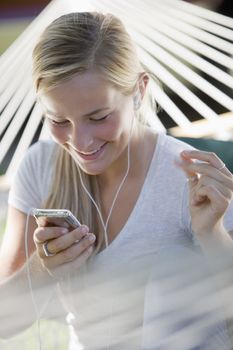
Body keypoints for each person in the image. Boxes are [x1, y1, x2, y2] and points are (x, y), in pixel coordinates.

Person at [0, 11, 233, 349]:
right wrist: (43, 269)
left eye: (98, 117)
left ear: (139, 90)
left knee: (172, 266)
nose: (80, 143)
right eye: (59, 119)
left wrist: (210, 234)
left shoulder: (188, 179)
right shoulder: (40, 166)